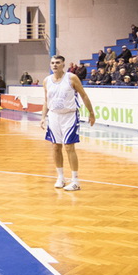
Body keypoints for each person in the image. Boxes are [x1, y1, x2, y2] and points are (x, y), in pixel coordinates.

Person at [40, 56, 96, 191]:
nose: (54, 65)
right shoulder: (46, 81)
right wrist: (43, 117)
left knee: (69, 147)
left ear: (63, 64)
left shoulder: (71, 78)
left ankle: (75, 180)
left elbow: (84, 95)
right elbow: (46, 100)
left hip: (70, 115)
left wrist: (91, 113)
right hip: (54, 115)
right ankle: (60, 177)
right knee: (55, 147)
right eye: (52, 63)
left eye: (57, 63)